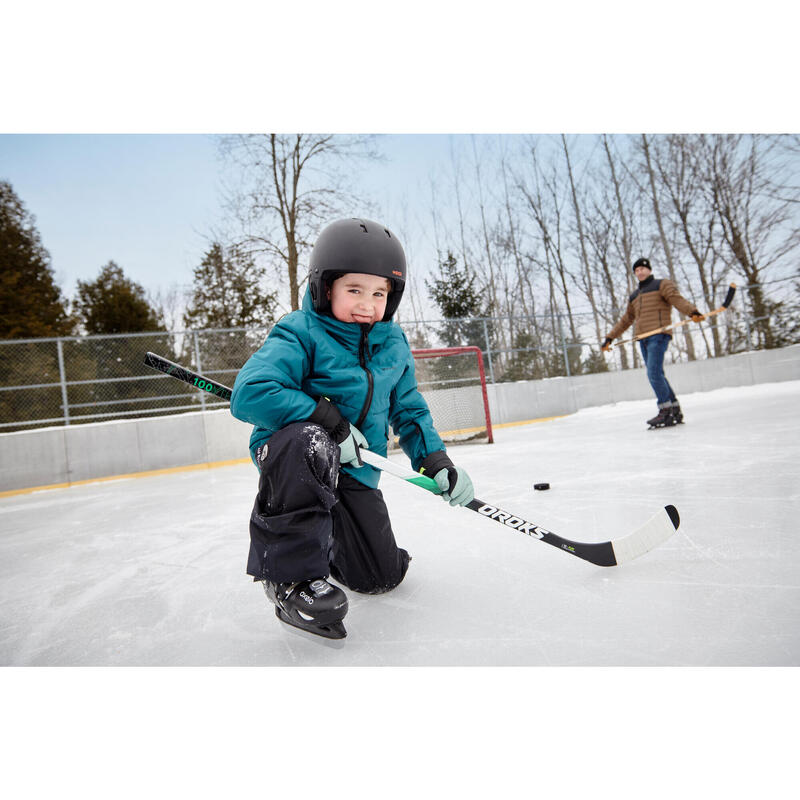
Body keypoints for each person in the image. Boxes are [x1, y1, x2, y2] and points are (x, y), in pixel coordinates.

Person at [229, 218, 475, 640]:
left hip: (358, 470)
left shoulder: (393, 345)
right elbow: (249, 392)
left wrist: (436, 460)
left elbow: (410, 410)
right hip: (297, 459)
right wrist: (330, 422)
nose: (367, 303)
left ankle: (330, 550)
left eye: (379, 292)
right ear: (326, 288)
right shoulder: (299, 331)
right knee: (311, 441)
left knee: (380, 578)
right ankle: (290, 577)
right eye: (354, 290)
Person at [601, 257, 705, 429]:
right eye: (636, 270)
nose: (640, 272)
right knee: (657, 374)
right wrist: (610, 337)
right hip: (643, 338)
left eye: (642, 268)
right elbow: (626, 319)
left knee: (653, 373)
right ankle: (674, 409)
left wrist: (692, 311)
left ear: (649, 270)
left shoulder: (661, 285)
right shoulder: (634, 296)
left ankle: (665, 410)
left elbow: (676, 299)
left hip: (659, 334)